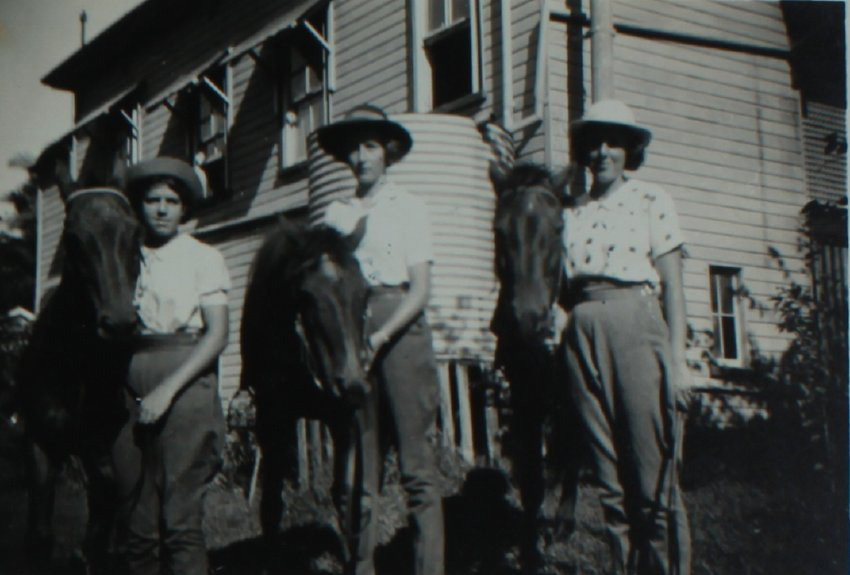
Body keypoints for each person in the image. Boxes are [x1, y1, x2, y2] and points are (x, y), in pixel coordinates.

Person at [561, 100, 691, 575]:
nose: (601, 152)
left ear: (629, 148)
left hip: (636, 324)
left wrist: (677, 364)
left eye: (613, 141)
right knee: (608, 481)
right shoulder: (571, 212)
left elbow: (673, 285)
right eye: (593, 142)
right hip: (581, 330)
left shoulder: (652, 200)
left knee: (651, 475)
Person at [317, 104, 444, 575]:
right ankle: (362, 564)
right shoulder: (336, 213)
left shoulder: (408, 206)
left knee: (417, 470)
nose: (361, 156)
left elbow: (422, 288)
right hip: (352, 330)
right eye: (353, 148)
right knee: (359, 469)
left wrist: (385, 334)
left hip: (401, 328)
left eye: (370, 145)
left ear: (387, 151)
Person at [112, 156, 230, 575]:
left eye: (172, 201)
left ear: (185, 208)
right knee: (137, 523)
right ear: (139, 205)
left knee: (180, 520)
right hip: (132, 375)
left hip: (185, 377)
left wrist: (167, 390)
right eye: (152, 200)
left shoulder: (202, 257)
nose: (161, 209)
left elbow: (217, 335)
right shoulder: (125, 257)